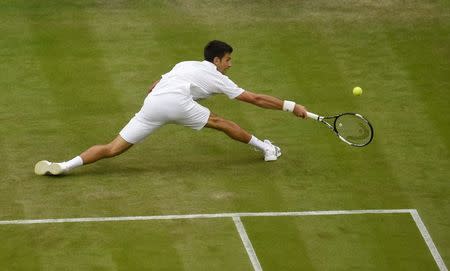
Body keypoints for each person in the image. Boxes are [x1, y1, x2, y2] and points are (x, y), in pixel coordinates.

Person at [34, 40, 308, 176]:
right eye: (228, 60)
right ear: (216, 60)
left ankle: (63, 165)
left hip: (154, 104)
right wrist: (290, 105)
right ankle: (267, 149)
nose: (230, 65)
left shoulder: (184, 64)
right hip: (177, 103)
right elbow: (255, 99)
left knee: (113, 148)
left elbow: (154, 84)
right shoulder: (216, 76)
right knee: (222, 123)